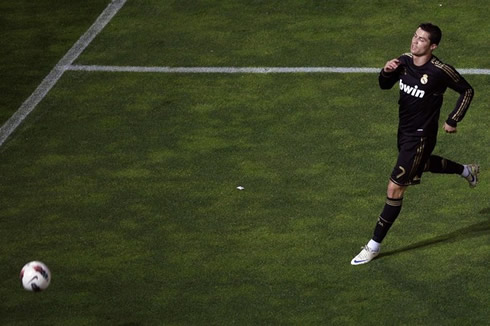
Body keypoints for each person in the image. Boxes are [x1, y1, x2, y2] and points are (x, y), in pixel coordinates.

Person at [351, 23, 479, 265]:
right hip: (404, 132)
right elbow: (383, 85)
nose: (415, 42)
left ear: (433, 46)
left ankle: (374, 245)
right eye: (415, 36)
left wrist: (453, 119)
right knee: (420, 165)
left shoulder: (440, 70)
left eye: (422, 40)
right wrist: (387, 71)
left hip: (421, 136)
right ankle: (466, 170)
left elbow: (467, 91)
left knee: (395, 188)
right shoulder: (404, 61)